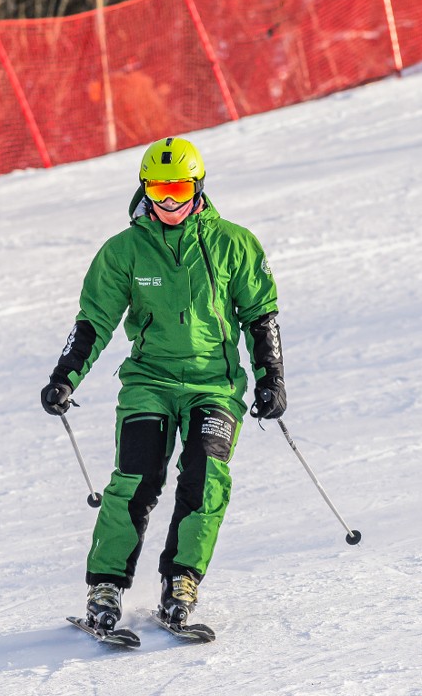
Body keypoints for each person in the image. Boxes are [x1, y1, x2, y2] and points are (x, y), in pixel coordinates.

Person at [41, 136, 286, 632]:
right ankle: (105, 586)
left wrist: (271, 379)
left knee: (205, 477)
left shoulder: (233, 244)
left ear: (197, 187)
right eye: (157, 190)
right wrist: (64, 376)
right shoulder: (124, 251)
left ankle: (181, 581)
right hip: (148, 382)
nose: (168, 202)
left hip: (214, 386)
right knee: (135, 478)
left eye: (177, 189)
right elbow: (93, 322)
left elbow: (262, 317)